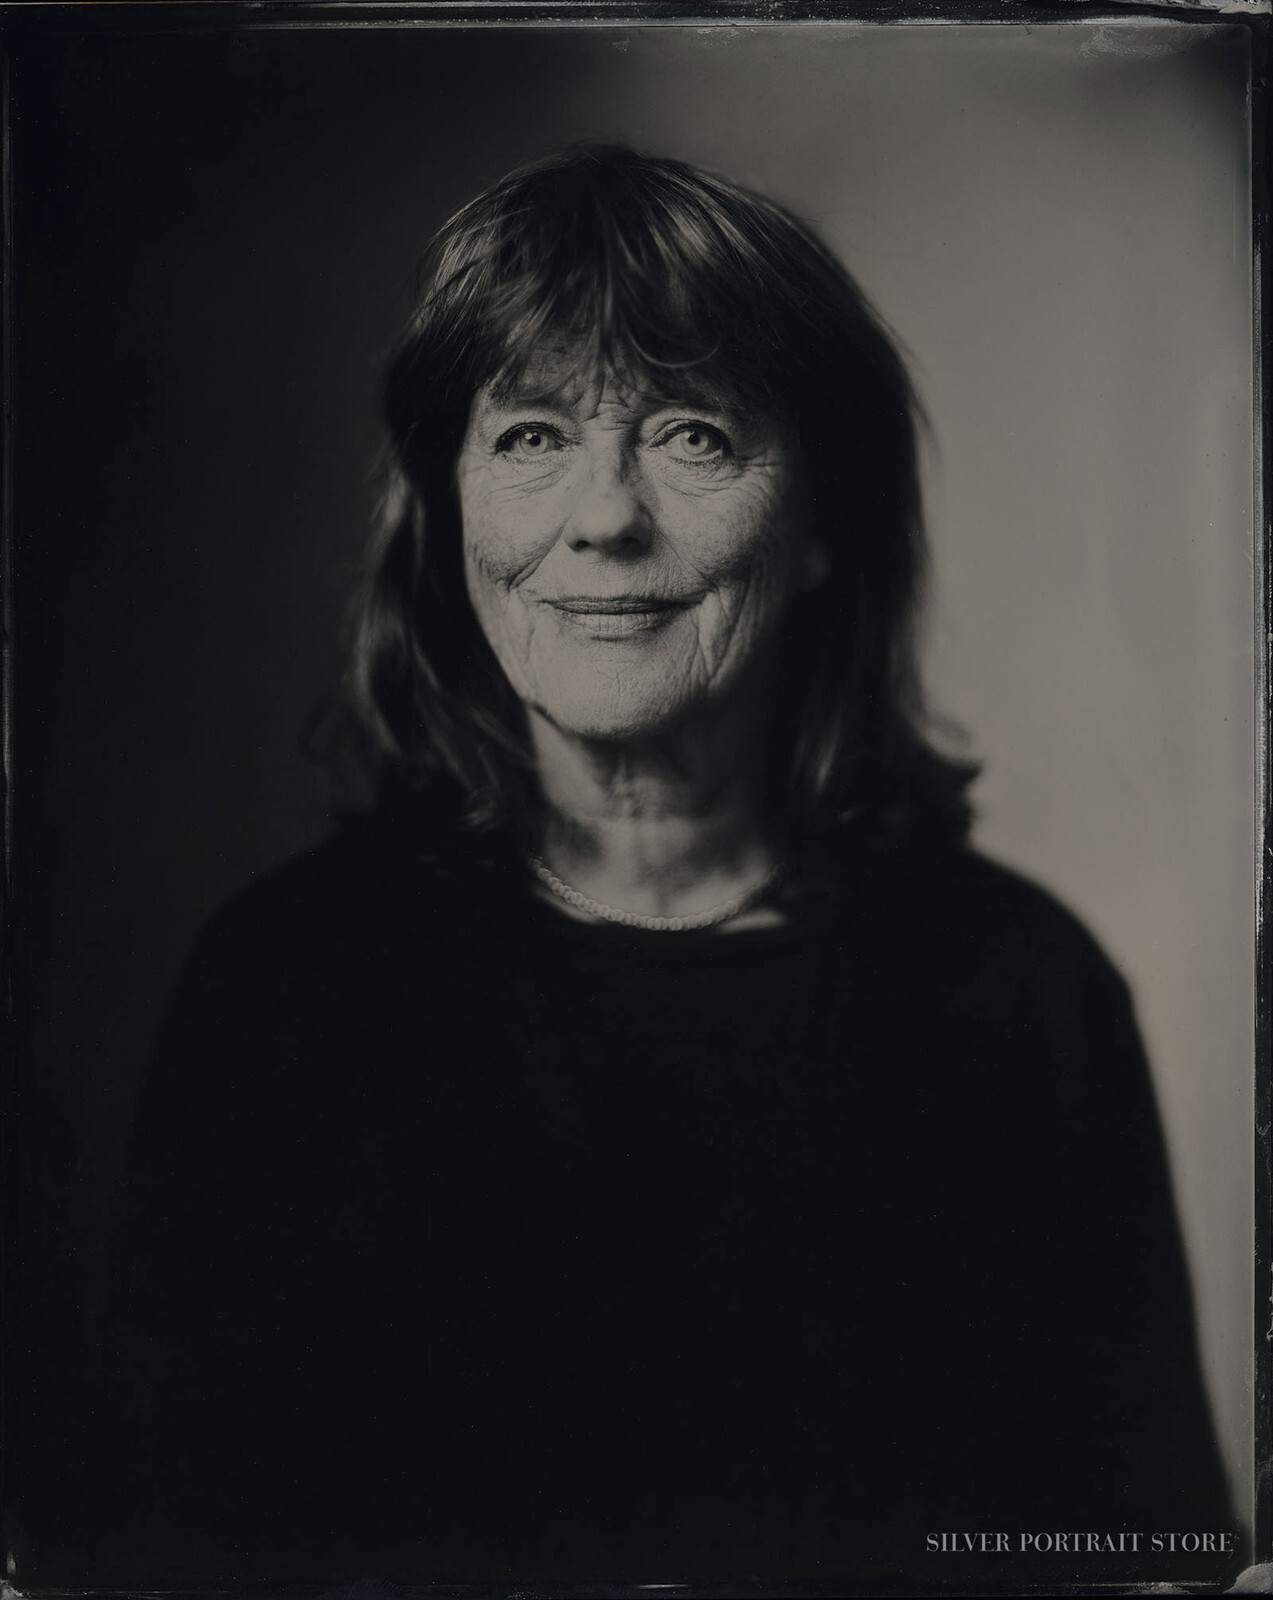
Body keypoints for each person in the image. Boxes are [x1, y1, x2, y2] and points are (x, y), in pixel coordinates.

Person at [99, 145, 1238, 1591]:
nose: (603, 516)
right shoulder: (282, 993)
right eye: (529, 438)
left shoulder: (1020, 992)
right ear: (447, 520)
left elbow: (1139, 1551)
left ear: (823, 524)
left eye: (692, 433)